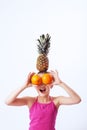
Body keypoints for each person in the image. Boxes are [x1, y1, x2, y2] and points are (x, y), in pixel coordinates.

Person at [5, 70, 81, 130]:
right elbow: (8, 102)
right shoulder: (30, 101)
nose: (42, 85)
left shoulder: (56, 101)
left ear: (51, 85)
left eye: (45, 81)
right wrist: (24, 85)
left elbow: (77, 100)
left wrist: (60, 83)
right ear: (35, 85)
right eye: (38, 81)